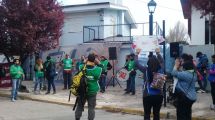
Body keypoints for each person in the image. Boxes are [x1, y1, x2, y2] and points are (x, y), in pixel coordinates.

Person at [75, 53, 102, 120]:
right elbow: (102, 67)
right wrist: (98, 62)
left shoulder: (82, 67)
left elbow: (80, 66)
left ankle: (77, 118)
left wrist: (84, 61)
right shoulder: (98, 69)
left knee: (80, 106)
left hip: (82, 91)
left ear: (87, 59)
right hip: (92, 91)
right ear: (94, 60)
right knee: (91, 107)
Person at [143, 55, 163, 120]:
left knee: (147, 114)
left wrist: (137, 54)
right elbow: (162, 61)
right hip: (159, 95)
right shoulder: (161, 70)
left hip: (147, 95)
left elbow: (136, 63)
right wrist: (158, 53)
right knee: (156, 114)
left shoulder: (145, 70)